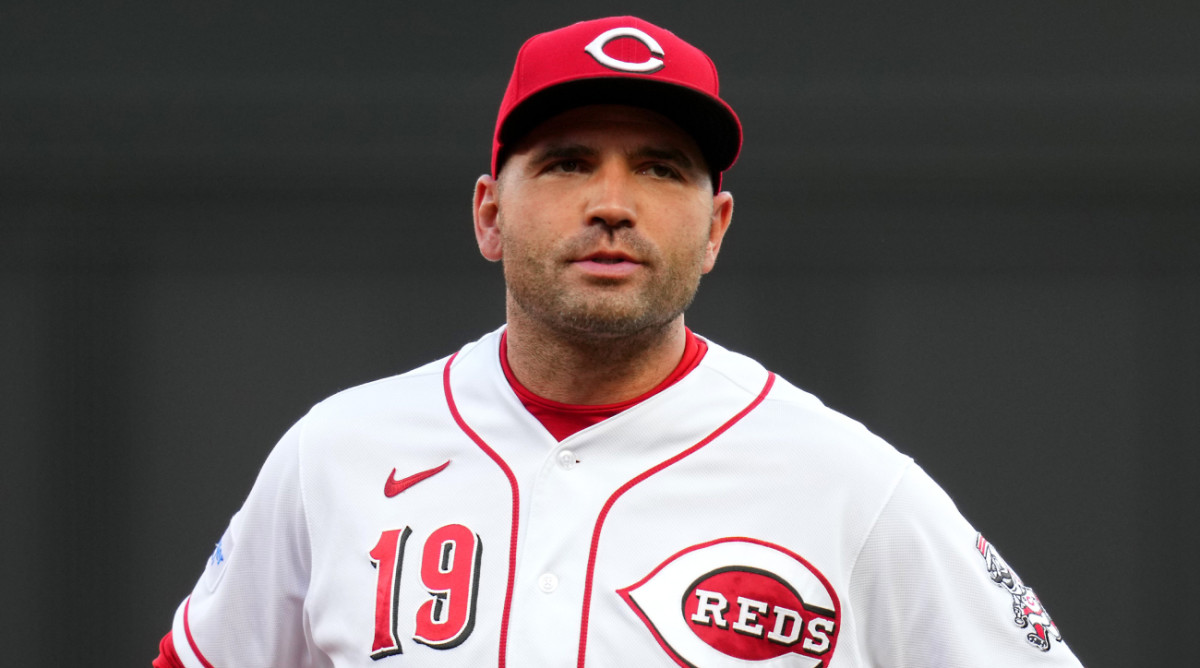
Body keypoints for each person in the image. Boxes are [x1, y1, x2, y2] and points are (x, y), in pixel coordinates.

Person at [153, 16, 1084, 667]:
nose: (612, 202)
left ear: (715, 228)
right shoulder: (337, 454)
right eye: (566, 162)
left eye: (659, 168)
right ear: (489, 214)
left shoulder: (850, 485)